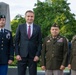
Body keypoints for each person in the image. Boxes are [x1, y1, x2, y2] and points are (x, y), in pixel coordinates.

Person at [15, 10, 42, 75]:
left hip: (33, 56)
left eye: (31, 16)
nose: (30, 18)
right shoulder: (20, 27)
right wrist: (17, 54)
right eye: (28, 16)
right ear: (25, 17)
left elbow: (39, 43)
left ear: (34, 17)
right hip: (21, 56)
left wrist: (37, 55)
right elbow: (16, 41)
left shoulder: (38, 28)